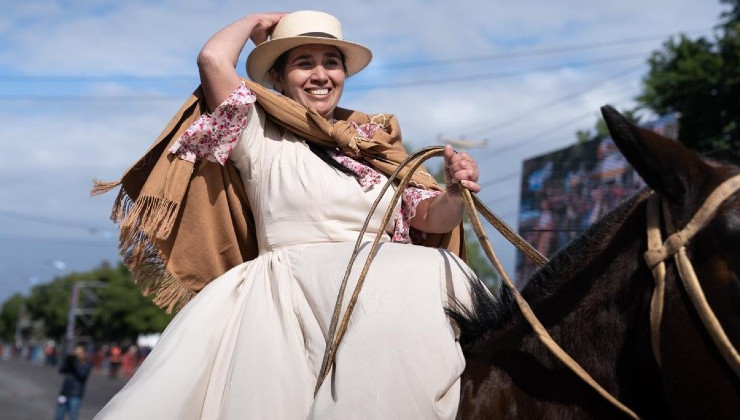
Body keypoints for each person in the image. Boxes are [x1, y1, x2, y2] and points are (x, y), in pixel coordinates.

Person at [94, 10, 483, 419]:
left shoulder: (372, 147)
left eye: (331, 62)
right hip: (290, 293)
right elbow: (212, 60)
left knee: (441, 272)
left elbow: (431, 219)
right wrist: (254, 21)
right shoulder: (258, 134)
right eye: (303, 63)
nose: (320, 74)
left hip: (385, 280)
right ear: (277, 78)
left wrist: (455, 195)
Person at [55, 344, 92, 420]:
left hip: (76, 394)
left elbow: (82, 374)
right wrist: (67, 361)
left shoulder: (87, 364)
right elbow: (61, 370)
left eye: (79, 353)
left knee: (73, 417)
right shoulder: (71, 362)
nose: (77, 355)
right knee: (58, 416)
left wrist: (74, 363)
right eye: (76, 352)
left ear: (84, 353)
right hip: (64, 393)